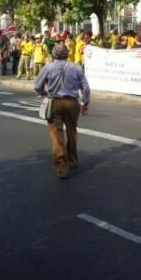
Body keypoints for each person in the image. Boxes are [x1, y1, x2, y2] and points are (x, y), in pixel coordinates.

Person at [34, 43, 91, 179]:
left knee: (56, 136)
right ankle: (72, 160)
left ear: (53, 54)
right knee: (72, 132)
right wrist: (86, 102)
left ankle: (61, 168)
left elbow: (37, 86)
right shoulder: (76, 68)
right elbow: (86, 88)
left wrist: (43, 93)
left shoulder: (48, 67)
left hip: (54, 103)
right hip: (72, 103)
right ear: (67, 53)